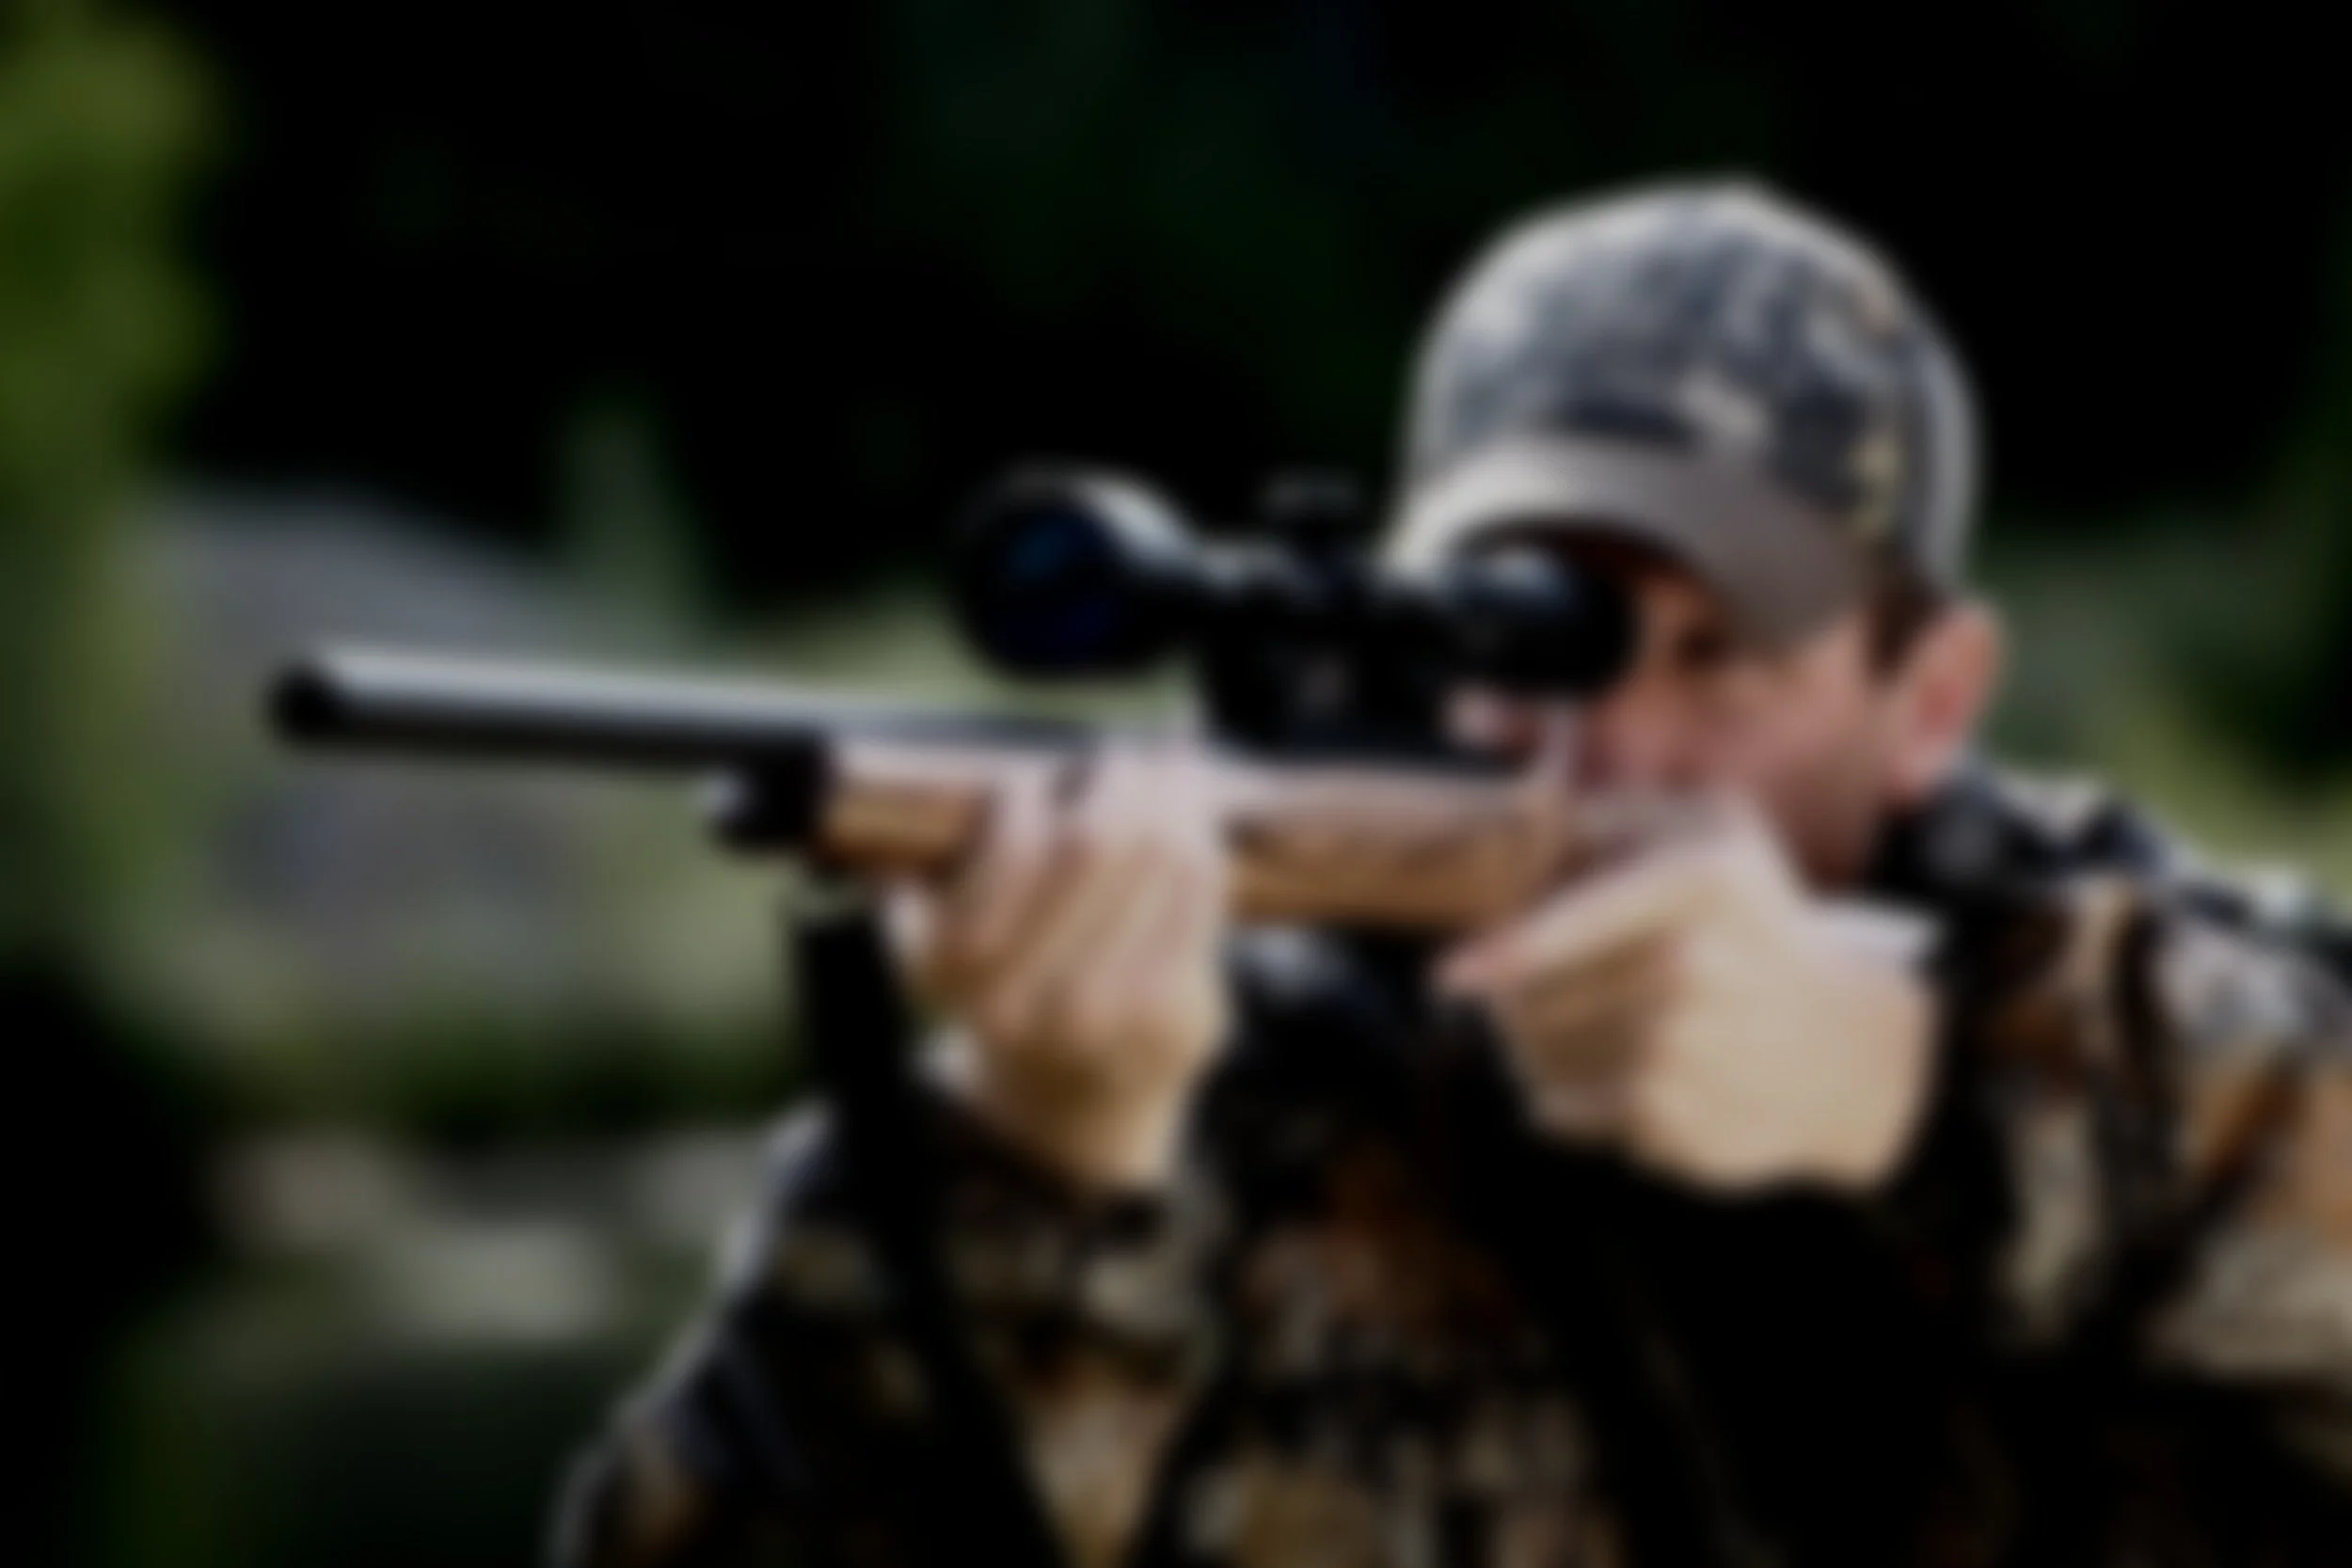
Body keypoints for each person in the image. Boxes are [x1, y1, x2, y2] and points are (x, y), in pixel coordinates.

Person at [550, 181, 2352, 1568]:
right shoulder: (1254, 1079)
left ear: (1931, 700)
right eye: (1527, 639)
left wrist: (1925, 1092)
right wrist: (1035, 1163)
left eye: (1715, 651)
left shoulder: (2102, 990)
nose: (1605, 749)